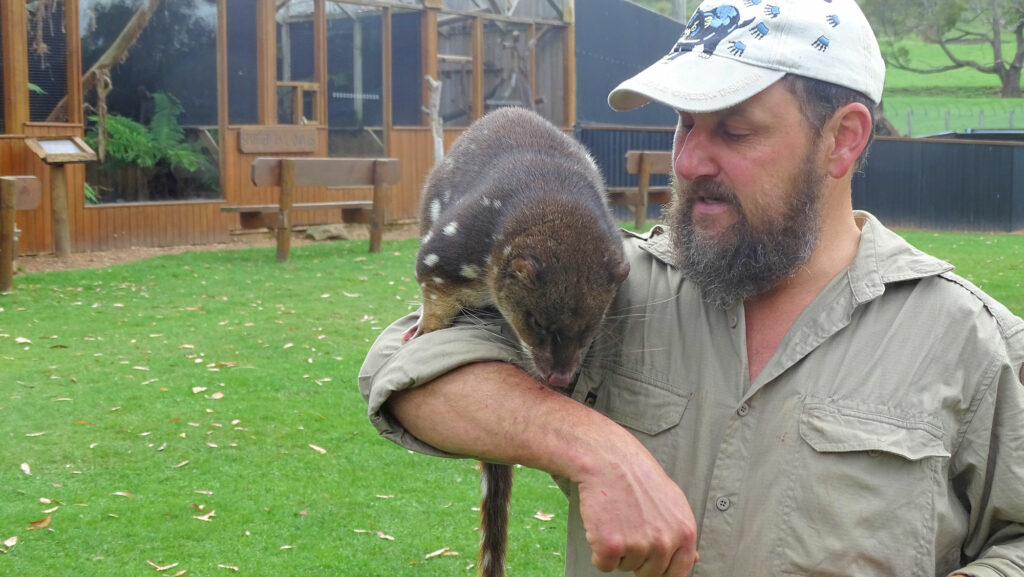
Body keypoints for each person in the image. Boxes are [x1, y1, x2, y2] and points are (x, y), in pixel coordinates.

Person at [358, 1, 1024, 576]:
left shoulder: (968, 339)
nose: (687, 160)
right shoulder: (615, 286)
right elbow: (407, 369)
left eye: (733, 129)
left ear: (842, 139)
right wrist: (591, 445)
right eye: (684, 123)